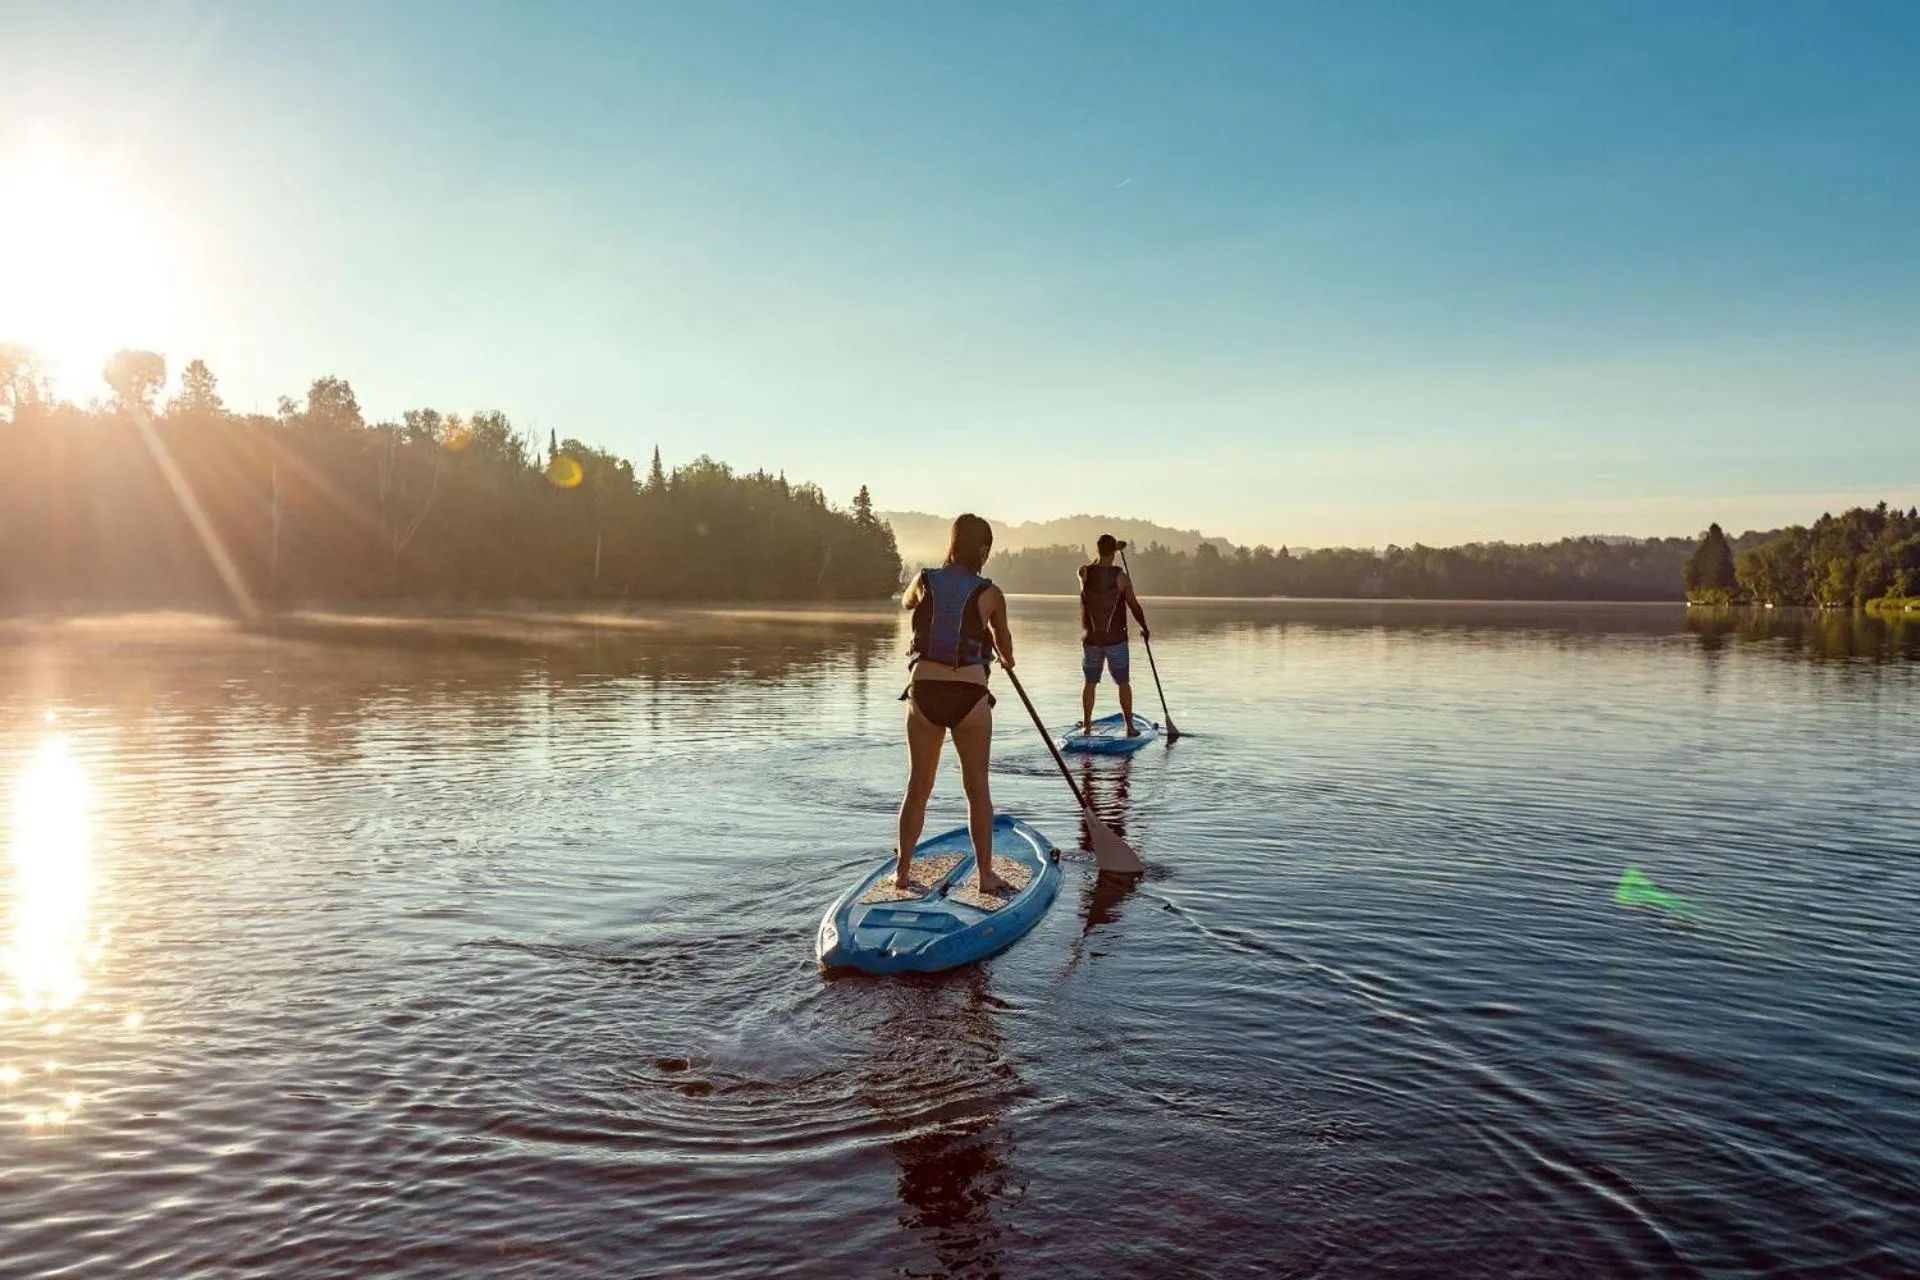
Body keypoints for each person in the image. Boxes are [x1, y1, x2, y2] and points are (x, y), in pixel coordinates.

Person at [897, 514, 1015, 894]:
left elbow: (906, 604)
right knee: (977, 788)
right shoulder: (991, 593)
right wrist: (1002, 653)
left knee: (918, 787)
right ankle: (985, 876)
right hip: (970, 697)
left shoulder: (923, 579)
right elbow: (1007, 651)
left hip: (925, 693)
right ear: (982, 550)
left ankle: (902, 873)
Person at [1078, 533, 1150, 737]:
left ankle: (1087, 726)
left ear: (1097, 550)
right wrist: (1144, 627)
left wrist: (1106, 554)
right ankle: (1129, 727)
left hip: (1091, 640)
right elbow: (1134, 605)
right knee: (1123, 682)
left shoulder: (1083, 572)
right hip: (1116, 640)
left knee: (1090, 683)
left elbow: (1093, 567)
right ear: (1114, 552)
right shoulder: (1121, 577)